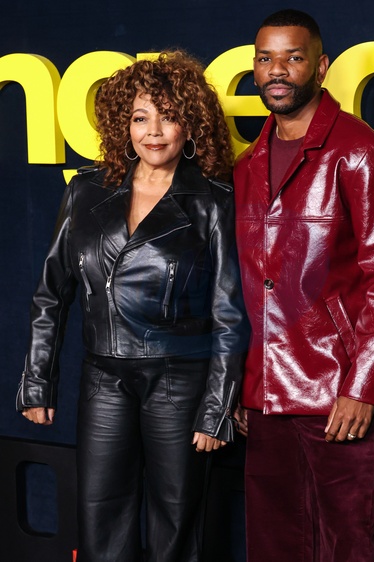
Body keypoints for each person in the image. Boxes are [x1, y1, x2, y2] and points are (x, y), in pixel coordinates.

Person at [17, 51, 249, 562]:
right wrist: (37, 381)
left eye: (169, 116)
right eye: (141, 118)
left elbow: (230, 313)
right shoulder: (84, 190)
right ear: (123, 124)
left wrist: (217, 407)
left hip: (179, 380)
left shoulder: (213, 201)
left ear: (191, 125)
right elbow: (51, 294)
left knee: (177, 527)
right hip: (103, 378)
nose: (154, 132)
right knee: (101, 521)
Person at [233, 9, 374, 562]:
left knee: (345, 544)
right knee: (273, 544)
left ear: (321, 65)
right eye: (266, 59)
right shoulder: (247, 163)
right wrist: (247, 384)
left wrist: (364, 388)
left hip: (336, 391)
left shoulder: (360, 149)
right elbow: (249, 286)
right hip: (265, 397)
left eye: (293, 57)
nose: (277, 70)